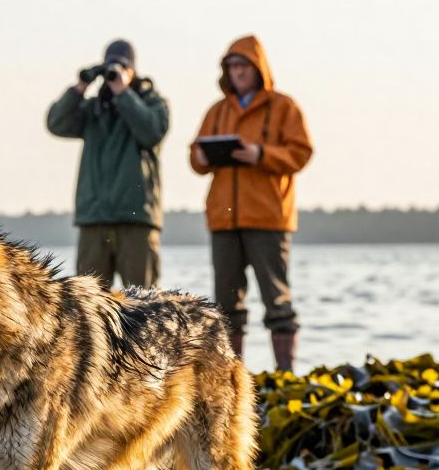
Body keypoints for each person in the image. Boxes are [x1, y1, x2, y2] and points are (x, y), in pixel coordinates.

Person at [191, 35, 312, 372]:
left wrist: (260, 154)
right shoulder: (217, 111)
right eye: (232, 67)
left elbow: (301, 153)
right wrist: (200, 155)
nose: (238, 72)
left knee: (278, 302)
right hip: (223, 220)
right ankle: (233, 378)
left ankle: (286, 373)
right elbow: (196, 158)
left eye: (243, 66)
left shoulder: (283, 107)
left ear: (258, 68)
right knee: (226, 306)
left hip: (269, 219)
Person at [47, 39, 169, 289]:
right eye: (110, 67)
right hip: (94, 218)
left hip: (136, 219)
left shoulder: (153, 103)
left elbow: (152, 131)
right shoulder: (93, 110)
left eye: (122, 66)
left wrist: (124, 93)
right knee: (88, 306)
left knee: (144, 306)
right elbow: (56, 123)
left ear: (133, 70)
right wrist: (80, 87)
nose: (114, 74)